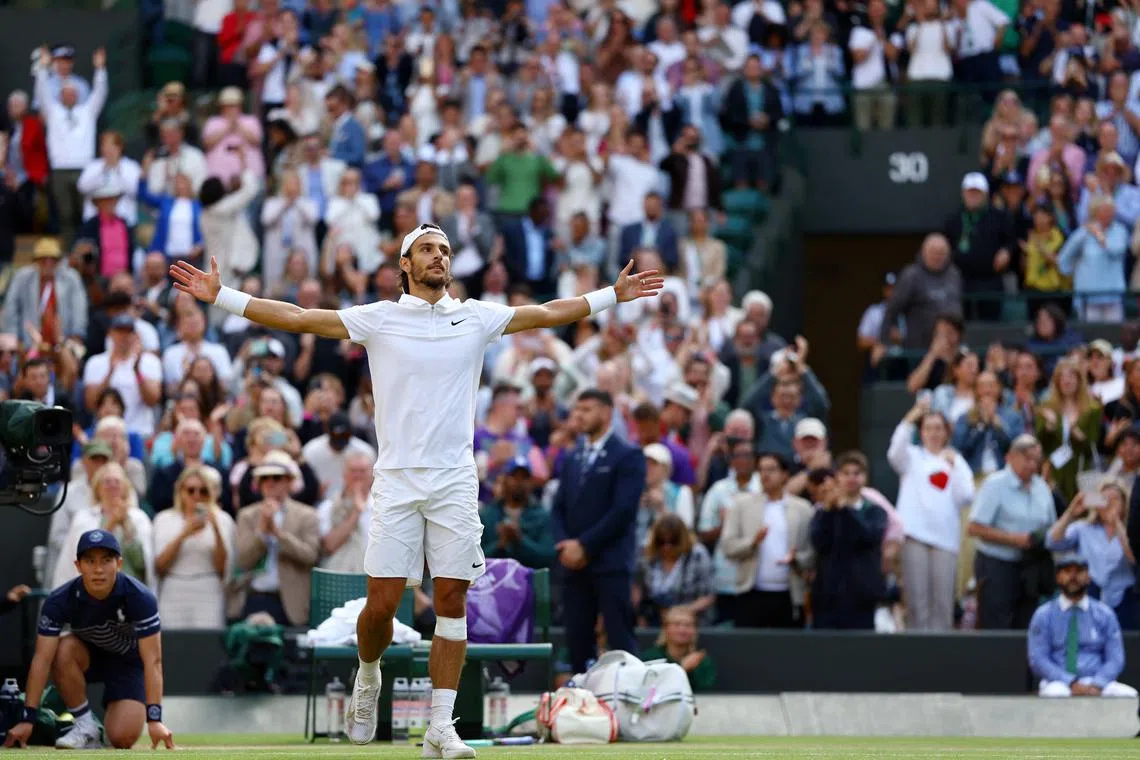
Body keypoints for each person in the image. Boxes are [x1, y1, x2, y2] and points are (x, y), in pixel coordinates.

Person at [169, 222, 661, 756]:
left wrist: (612, 296)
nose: (439, 257)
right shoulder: (378, 319)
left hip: (455, 480)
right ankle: (368, 670)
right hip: (397, 481)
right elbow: (300, 317)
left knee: (452, 601)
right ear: (405, 264)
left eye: (445, 250)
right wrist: (223, 297)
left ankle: (439, 727)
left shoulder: (476, 316)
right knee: (381, 607)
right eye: (427, 249)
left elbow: (546, 312)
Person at [2, 530, 174, 750]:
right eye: (90, 561)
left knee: (122, 739)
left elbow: (153, 661)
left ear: (119, 564)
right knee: (62, 647)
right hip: (86, 655)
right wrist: (28, 719)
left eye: (106, 560)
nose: (98, 569)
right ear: (78, 566)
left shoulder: (140, 597)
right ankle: (85, 726)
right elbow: (42, 659)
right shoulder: (59, 601)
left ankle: (101, 730)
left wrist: (155, 718)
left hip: (128, 664)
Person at [553, 389, 648, 674]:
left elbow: (623, 511)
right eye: (576, 409)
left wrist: (584, 545)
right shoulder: (573, 456)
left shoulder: (628, 455)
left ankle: (630, 701)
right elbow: (558, 507)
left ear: (607, 413)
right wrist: (564, 544)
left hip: (610, 563)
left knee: (620, 639)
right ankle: (582, 707)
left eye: (587, 409)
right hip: (574, 565)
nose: (579, 416)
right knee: (577, 640)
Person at [968, 434, 1058, 630]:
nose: (1033, 465)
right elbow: (973, 527)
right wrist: (1013, 539)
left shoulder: (1041, 487)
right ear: (1011, 457)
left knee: (1027, 625)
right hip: (997, 565)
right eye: (1027, 458)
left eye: (1037, 459)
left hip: (1031, 566)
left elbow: (1051, 525)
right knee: (996, 624)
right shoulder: (995, 484)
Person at [1028, 553, 1138, 698]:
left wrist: (1097, 683)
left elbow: (1116, 659)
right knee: (1055, 694)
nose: (1073, 577)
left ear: (1088, 577)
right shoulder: (1044, 614)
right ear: (1058, 577)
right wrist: (1070, 682)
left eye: (1079, 571)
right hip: (1058, 682)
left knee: (1129, 695)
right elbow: (1038, 659)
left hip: (1097, 681)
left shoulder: (1104, 613)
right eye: (1067, 572)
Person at [809, 452, 889, 630]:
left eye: (857, 473)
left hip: (862, 596)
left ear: (865, 477)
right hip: (828, 596)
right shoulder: (824, 511)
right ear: (837, 477)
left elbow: (867, 536)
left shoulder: (875, 511)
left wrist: (845, 509)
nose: (851, 478)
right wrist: (830, 511)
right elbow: (818, 542)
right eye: (846, 473)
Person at [1047, 485, 1138, 630]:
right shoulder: (1083, 528)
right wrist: (1071, 512)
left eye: (1114, 499)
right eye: (1104, 499)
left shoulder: (1131, 531)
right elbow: (1052, 541)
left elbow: (1134, 556)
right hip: (1090, 595)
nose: (1109, 504)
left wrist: (1117, 524)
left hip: (1124, 599)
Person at [639, 607, 717, 692]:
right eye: (677, 624)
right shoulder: (652, 657)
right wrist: (682, 668)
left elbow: (708, 694)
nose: (682, 630)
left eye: (688, 625)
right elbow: (648, 689)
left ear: (695, 630)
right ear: (666, 628)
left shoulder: (701, 661)